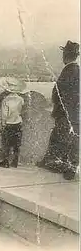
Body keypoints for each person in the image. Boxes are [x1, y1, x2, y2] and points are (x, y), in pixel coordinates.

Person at [38, 41, 80, 180]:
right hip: (72, 112)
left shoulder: (70, 70)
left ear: (66, 55)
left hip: (66, 113)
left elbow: (62, 92)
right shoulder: (74, 70)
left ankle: (68, 168)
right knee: (66, 138)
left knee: (66, 139)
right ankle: (60, 165)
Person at [0, 77, 26, 168]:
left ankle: (5, 161)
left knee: (6, 144)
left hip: (8, 124)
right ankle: (15, 160)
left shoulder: (6, 100)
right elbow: (22, 111)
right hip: (17, 123)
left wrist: (2, 124)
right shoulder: (20, 99)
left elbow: (4, 114)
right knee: (16, 144)